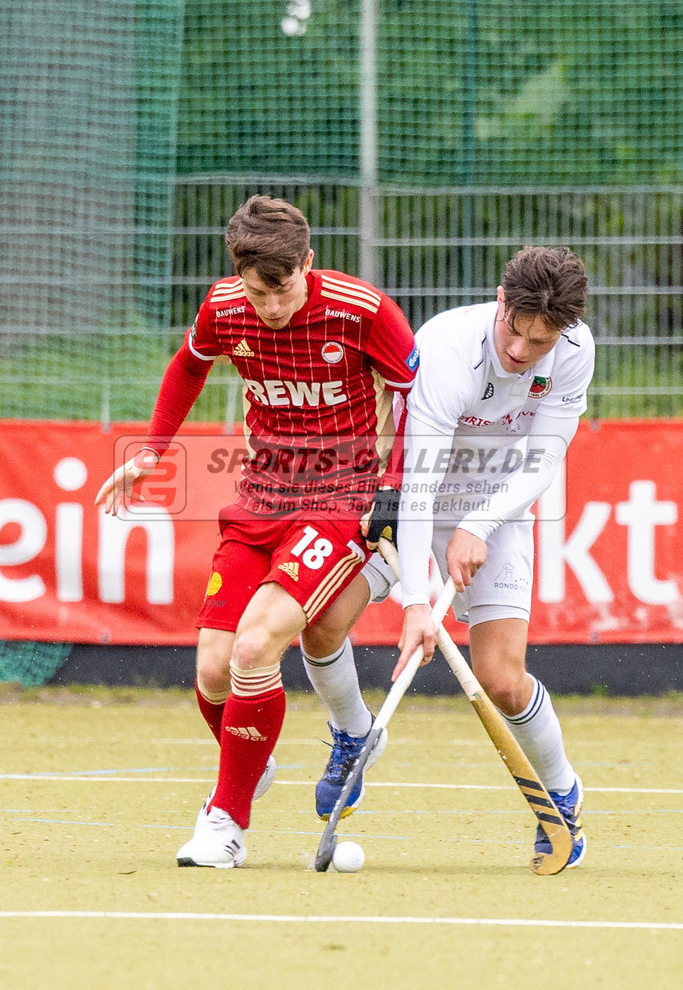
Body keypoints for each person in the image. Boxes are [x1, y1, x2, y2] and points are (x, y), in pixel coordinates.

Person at [95, 194, 418, 868]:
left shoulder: (362, 310)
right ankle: (250, 765)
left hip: (339, 500)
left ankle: (225, 824)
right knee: (212, 672)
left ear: (308, 262)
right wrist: (151, 452)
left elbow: (416, 398)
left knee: (253, 648)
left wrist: (390, 490)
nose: (272, 308)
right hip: (259, 500)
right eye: (258, 293)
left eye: (284, 290)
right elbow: (188, 364)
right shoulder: (223, 306)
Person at [310, 245, 593, 868]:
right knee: (321, 621)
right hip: (409, 496)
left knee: (502, 679)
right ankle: (356, 729)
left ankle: (560, 793)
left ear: (563, 333)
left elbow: (543, 460)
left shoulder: (575, 351)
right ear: (500, 299)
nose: (521, 352)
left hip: (496, 501)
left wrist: (480, 524)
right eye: (514, 332)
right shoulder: (445, 349)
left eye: (539, 343)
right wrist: (415, 601)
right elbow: (420, 486)